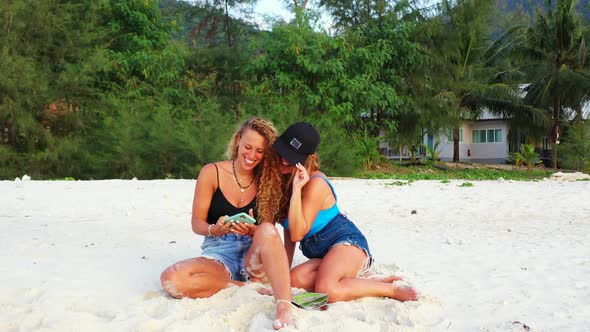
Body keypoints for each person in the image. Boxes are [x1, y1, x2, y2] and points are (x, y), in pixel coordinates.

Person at [160, 117, 293, 330]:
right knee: (172, 279)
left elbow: (269, 236)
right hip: (220, 252)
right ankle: (243, 287)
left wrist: (253, 231)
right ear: (238, 140)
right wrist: (216, 229)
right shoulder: (211, 172)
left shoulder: (269, 180)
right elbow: (197, 223)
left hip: (255, 258)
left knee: (267, 229)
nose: (252, 156)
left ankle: (284, 306)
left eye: (259, 151)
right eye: (248, 147)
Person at [272, 122, 419, 303]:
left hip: (346, 243)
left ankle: (390, 289)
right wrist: (284, 271)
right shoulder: (285, 180)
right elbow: (289, 229)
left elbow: (296, 233)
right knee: (294, 280)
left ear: (307, 158)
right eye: (283, 152)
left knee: (327, 291)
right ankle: (359, 280)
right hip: (322, 254)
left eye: (291, 156)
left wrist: (296, 191)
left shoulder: (315, 184)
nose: (284, 160)